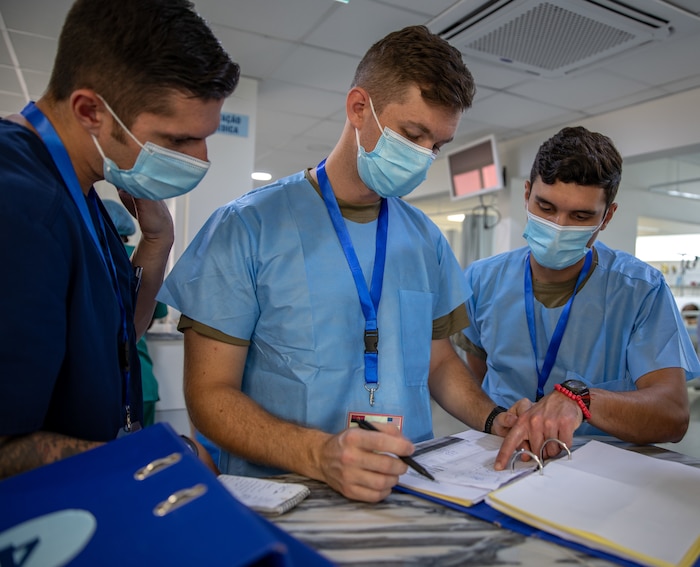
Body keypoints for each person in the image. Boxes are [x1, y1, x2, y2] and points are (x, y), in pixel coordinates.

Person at [159, 25, 519, 503]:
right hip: (286, 495)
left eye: (438, 145)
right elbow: (210, 396)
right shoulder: (247, 228)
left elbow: (438, 361)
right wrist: (318, 454)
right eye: (412, 135)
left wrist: (495, 418)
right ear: (358, 108)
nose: (424, 157)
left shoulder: (424, 239)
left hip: (405, 488)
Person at [0, 0, 240, 479]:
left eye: (204, 137)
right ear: (91, 111)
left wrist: (157, 241)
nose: (200, 158)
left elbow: (118, 338)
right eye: (177, 141)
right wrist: (153, 460)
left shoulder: (83, 188)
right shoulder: (19, 203)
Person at [456, 126, 700, 469]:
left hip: (598, 466)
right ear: (526, 195)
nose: (558, 226)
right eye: (545, 206)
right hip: (504, 455)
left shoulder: (640, 290)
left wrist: (583, 401)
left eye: (580, 217)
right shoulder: (482, 280)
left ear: (607, 217)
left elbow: (673, 416)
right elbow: (477, 373)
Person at [104, 199, 169, 427]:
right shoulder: (135, 253)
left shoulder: (102, 254)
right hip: (141, 379)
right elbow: (153, 314)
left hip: (111, 380)